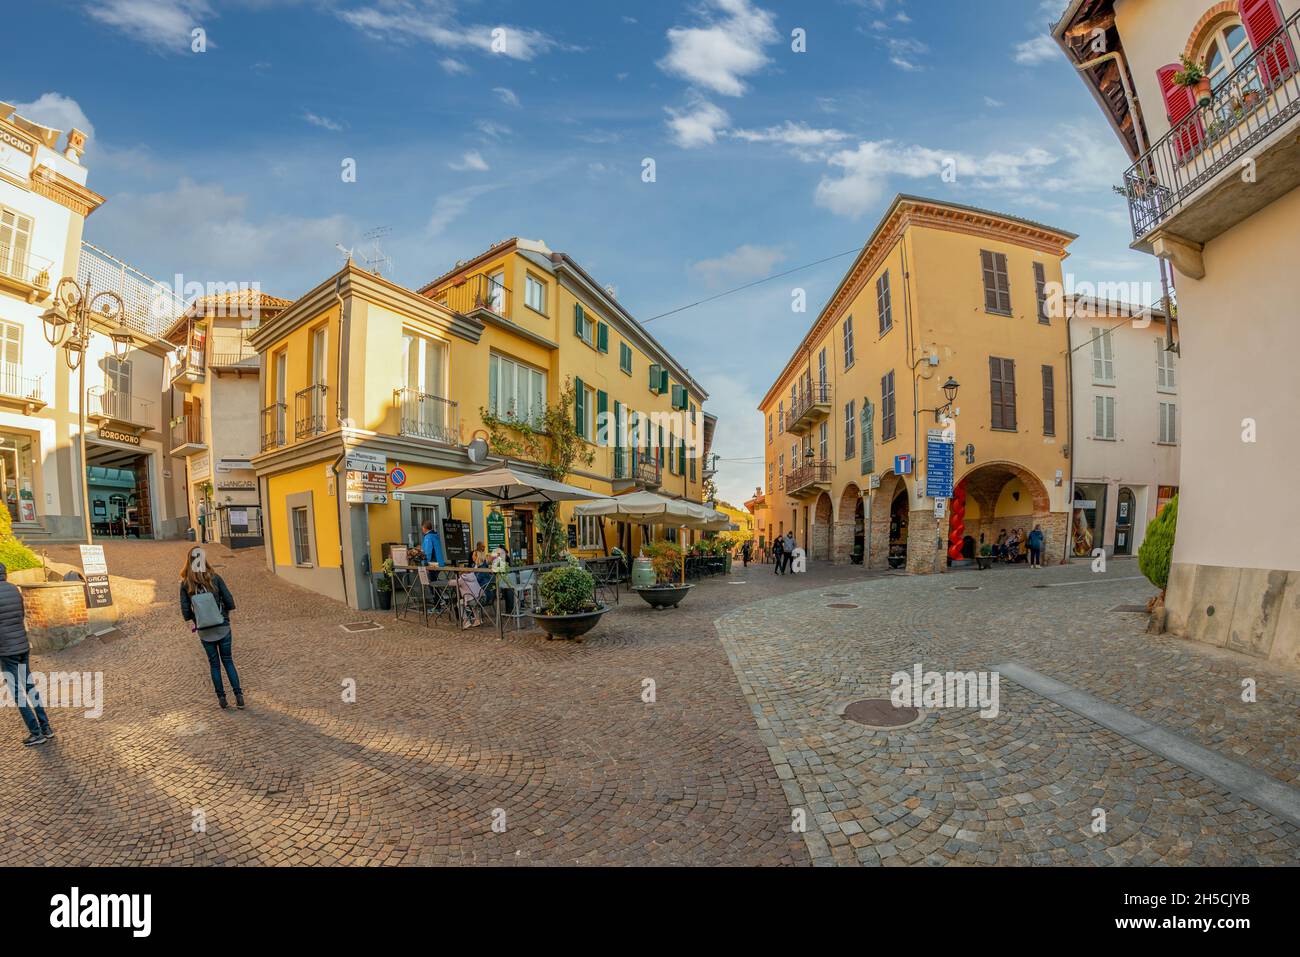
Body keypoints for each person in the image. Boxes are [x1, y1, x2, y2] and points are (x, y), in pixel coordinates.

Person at [179, 547, 243, 710]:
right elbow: (230, 601)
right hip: (222, 626)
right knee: (228, 661)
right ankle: (239, 696)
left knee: (214, 664)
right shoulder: (215, 578)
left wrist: (198, 619)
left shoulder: (186, 584)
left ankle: (222, 698)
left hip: (205, 631)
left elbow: (186, 613)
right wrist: (224, 615)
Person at [0, 562, 53, 747]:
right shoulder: (14, 589)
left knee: (17, 691)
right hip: (22, 645)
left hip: (7, 650)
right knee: (30, 687)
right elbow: (21, 615)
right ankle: (46, 727)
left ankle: (36, 733)